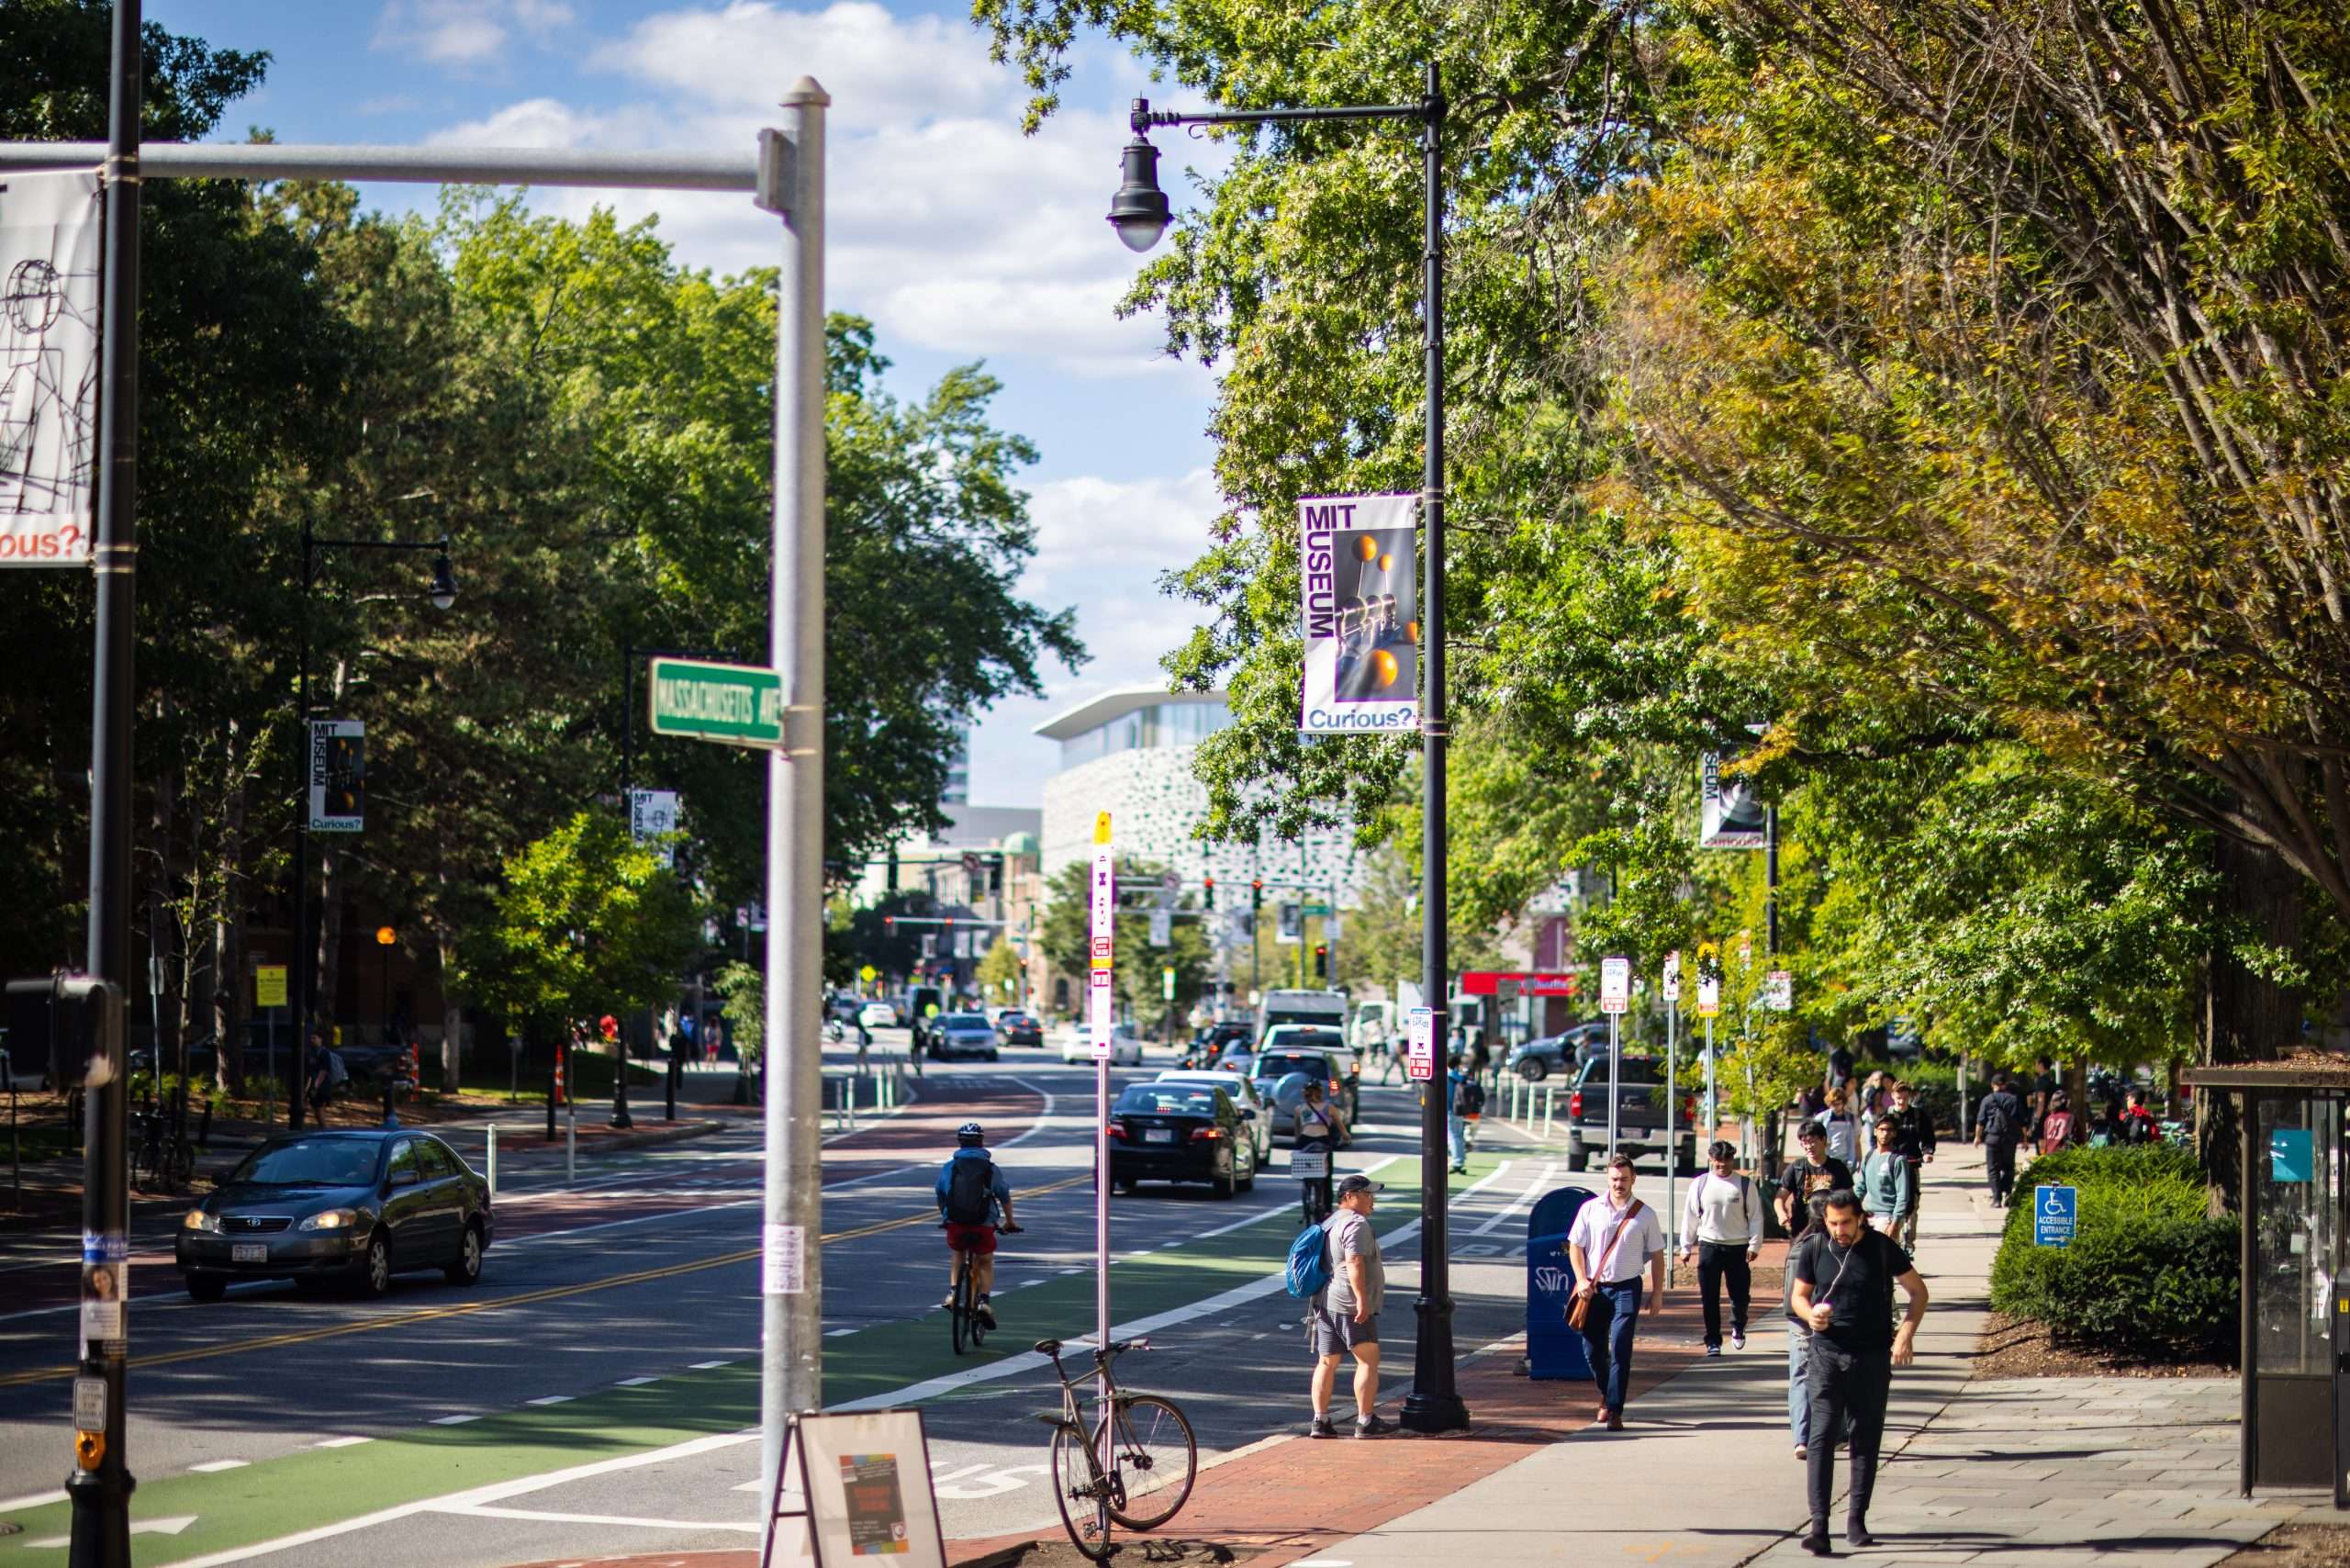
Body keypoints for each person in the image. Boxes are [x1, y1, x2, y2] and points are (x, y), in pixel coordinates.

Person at [1790, 1191, 1929, 1554]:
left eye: (1846, 1223)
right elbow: (1798, 1297)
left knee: (1865, 1438)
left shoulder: (1882, 1249)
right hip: (1826, 1355)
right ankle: (1819, 1526)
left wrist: (1904, 1337)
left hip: (1871, 1357)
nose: (1839, 1230)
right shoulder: (1815, 1247)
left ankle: (1856, 1521)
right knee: (1820, 1437)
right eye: (1833, 1223)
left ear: (1860, 1218)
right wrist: (1811, 1315)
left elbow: (1918, 1292)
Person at [1568, 1154, 1668, 1430]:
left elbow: (1658, 1257)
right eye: (1614, 1179)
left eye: (1624, 1179)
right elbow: (1575, 1246)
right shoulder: (1590, 1209)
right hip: (1594, 1289)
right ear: (1607, 1179)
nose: (1619, 1184)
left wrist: (1657, 1292)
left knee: (1621, 1346)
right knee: (1592, 1350)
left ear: (1633, 1179)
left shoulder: (1645, 1214)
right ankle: (1606, 1393)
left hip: (1627, 1287)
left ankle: (1614, 1409)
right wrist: (1581, 1279)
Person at [1776, 1120, 1853, 1460]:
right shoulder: (1796, 1169)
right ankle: (1810, 1436)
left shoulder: (1837, 1170)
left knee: (1810, 1372)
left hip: (1811, 1315)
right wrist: (1780, 1213)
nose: (1807, 1145)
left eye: (1811, 1139)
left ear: (1824, 1140)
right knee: (1822, 1373)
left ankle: (1813, 1435)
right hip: (1812, 1315)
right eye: (1802, 1140)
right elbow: (1781, 1195)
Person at [1309, 1173, 1390, 1438]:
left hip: (1326, 1300)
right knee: (1368, 1361)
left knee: (1327, 1362)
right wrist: (1361, 1301)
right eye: (1367, 1194)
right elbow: (1354, 1262)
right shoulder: (1356, 1224)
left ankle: (1320, 1421)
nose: (1372, 1200)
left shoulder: (1331, 1221)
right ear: (1349, 1197)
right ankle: (1366, 1421)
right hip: (1348, 1302)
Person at [1680, 1140, 1762, 1355]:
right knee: (1709, 1296)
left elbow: (1755, 1217)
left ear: (1732, 1160)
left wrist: (1754, 1244)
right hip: (1709, 1246)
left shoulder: (1745, 1185)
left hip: (1738, 1247)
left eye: (1726, 1160)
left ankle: (1738, 1327)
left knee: (1740, 1296)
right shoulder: (1700, 1184)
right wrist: (1686, 1246)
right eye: (1718, 1161)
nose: (1722, 1165)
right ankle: (1713, 1340)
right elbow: (1690, 1216)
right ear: (1710, 1159)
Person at [934, 1121, 1019, 1328]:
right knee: (986, 1261)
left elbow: (940, 1193)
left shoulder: (950, 1167)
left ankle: (953, 1293)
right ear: (981, 1142)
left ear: (960, 1143)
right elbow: (1004, 1195)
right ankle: (983, 1302)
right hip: (983, 1223)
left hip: (956, 1221)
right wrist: (1009, 1221)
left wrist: (946, 1217)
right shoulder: (991, 1168)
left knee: (957, 1254)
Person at [1878, 1080, 1936, 1251]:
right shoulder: (1887, 1117)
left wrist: (1927, 1152)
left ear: (1910, 1097)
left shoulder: (1918, 1116)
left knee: (1912, 1204)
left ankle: (1909, 1241)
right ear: (1892, 1097)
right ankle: (1892, 1237)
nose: (1901, 1102)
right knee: (1892, 1201)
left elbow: (1928, 1137)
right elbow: (1879, 1139)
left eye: (1904, 1098)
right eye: (1898, 1098)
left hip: (1911, 1164)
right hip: (1891, 1165)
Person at [1976, 1071, 2026, 1206]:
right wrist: (2025, 1139)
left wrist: (1977, 1137)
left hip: (1993, 1137)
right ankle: (2008, 1192)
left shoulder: (1987, 1100)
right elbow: (2021, 1121)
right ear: (2005, 1085)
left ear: (1993, 1085)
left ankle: (1996, 1198)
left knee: (1993, 1169)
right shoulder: (2013, 1100)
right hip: (2010, 1138)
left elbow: (1980, 1121)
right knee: (2009, 1167)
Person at [1858, 1115, 1912, 1236]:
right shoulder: (1869, 1157)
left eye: (1889, 1130)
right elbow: (1860, 1188)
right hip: (1868, 1215)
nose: (1885, 1133)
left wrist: (1896, 1221)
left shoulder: (1898, 1160)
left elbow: (1903, 1195)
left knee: (1881, 1253)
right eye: (1882, 1129)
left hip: (1887, 1216)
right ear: (1875, 1131)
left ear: (1894, 1134)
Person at [1444, 1054, 1472, 1173]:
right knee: (1458, 1135)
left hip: (1450, 1109)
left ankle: (1457, 1161)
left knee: (1453, 1135)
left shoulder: (1447, 1076)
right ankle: (1460, 1159)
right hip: (1460, 1110)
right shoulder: (1459, 1077)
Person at [1821, 1085, 1859, 1164]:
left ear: (1843, 1103)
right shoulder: (1822, 1118)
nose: (1836, 1107)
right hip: (1827, 1158)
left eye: (1838, 1104)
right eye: (1833, 1104)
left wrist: (1857, 1159)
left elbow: (1856, 1141)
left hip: (1845, 1159)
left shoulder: (1851, 1118)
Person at [2038, 1090, 2077, 1155]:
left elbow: (2045, 1141)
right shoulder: (2070, 1117)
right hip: (2063, 1156)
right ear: (2066, 1103)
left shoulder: (2048, 1118)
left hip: (2049, 1155)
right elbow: (2078, 1138)